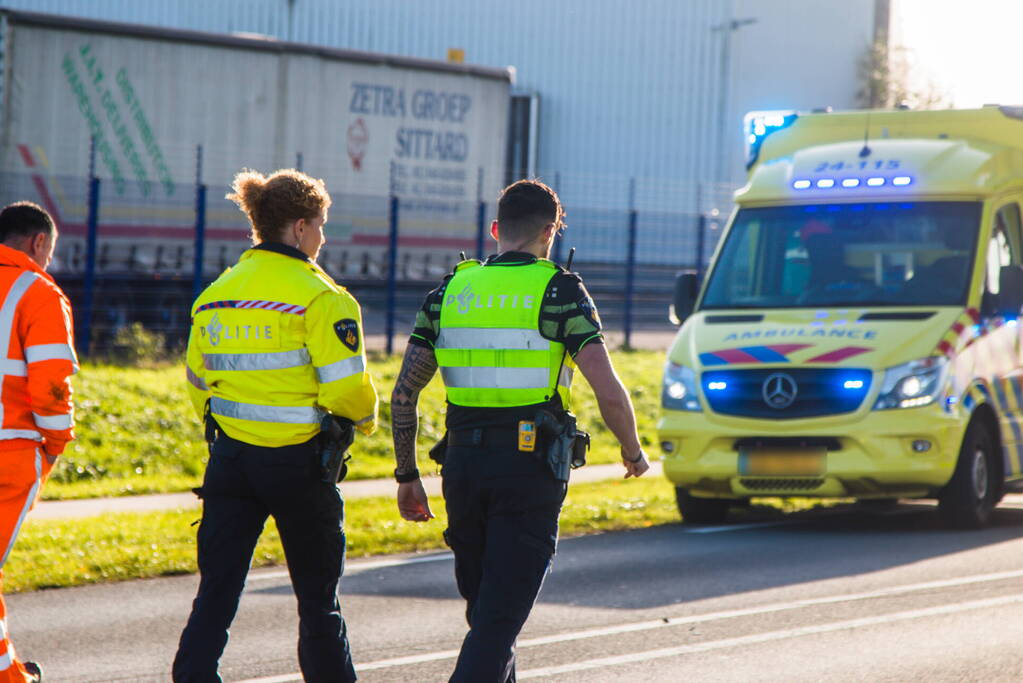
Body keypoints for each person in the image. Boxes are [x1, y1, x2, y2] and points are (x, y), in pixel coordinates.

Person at [390, 179, 650, 682]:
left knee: (489, 618)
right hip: (528, 472)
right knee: (496, 625)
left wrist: (406, 474)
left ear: (495, 230)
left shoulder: (448, 292)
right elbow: (608, 388)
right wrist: (633, 450)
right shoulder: (559, 291)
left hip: (462, 469)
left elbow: (404, 394)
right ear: (550, 232)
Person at [172, 169, 377, 683]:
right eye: (321, 226)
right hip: (300, 465)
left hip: (231, 462)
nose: (323, 238)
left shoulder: (216, 295)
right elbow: (347, 391)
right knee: (317, 602)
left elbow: (197, 382)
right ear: (300, 227)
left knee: (216, 592)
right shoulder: (322, 297)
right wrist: (366, 421)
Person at [0, 202, 77, 683]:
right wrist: (54, 443)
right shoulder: (37, 291)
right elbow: (50, 386)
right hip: (10, 451)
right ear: (39, 242)